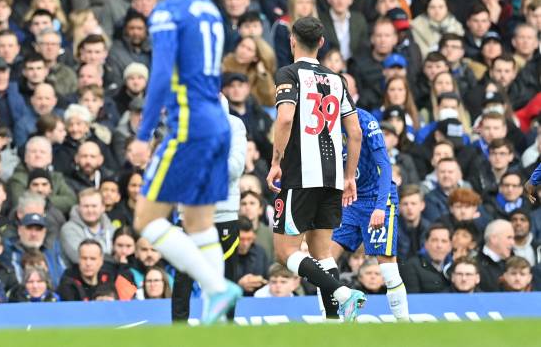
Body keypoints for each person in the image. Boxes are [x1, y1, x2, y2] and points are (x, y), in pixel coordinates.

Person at [130, 0, 241, 325]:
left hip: (188, 125)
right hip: (219, 123)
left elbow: (160, 77)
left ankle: (216, 289)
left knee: (145, 220)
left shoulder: (166, 12)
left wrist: (143, 136)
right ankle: (218, 316)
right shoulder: (209, 8)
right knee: (199, 223)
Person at [267, 16, 366, 321]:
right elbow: (356, 132)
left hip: (300, 174)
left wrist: (275, 161)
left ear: (292, 40)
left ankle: (342, 292)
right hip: (333, 175)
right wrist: (349, 176)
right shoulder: (337, 80)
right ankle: (335, 322)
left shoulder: (289, 73)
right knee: (322, 252)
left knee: (286, 252)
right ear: (322, 43)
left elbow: (285, 119)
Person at [329, 109, 409, 322]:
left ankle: (405, 325)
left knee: (387, 267)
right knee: (325, 261)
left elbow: (384, 165)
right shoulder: (321, 122)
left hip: (376, 198)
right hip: (350, 199)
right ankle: (330, 318)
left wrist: (380, 207)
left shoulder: (365, 121)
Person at [172, 95, 247, 321]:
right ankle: (178, 332)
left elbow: (236, 167)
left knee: (226, 277)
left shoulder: (234, 125)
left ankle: (226, 331)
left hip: (223, 211)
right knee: (183, 278)